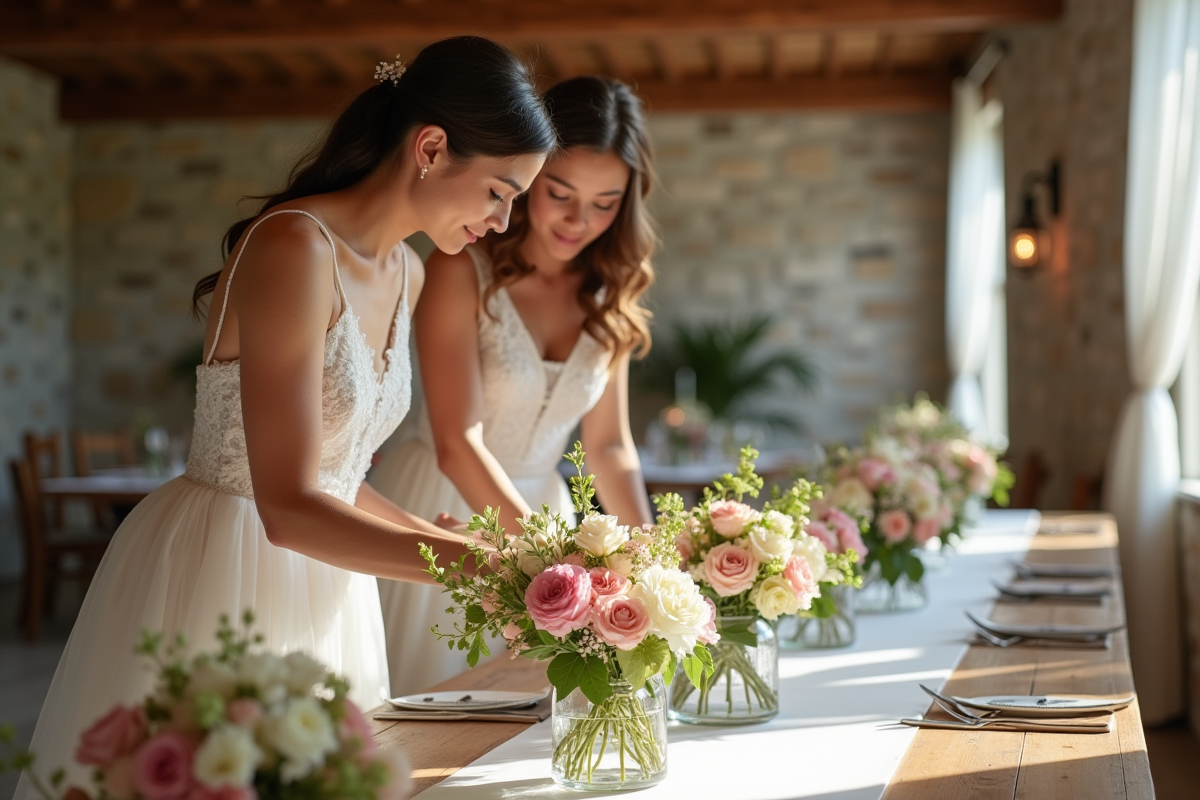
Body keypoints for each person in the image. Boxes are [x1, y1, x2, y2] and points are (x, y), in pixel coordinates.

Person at [15, 37, 555, 798]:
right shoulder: (295, 246)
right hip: (224, 566)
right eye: (500, 191)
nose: (503, 221)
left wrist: (446, 540)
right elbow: (289, 506)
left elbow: (335, 476)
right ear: (432, 148)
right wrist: (471, 569)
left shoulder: (408, 269)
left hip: (332, 586)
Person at [370, 76, 658, 695]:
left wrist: (651, 566)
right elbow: (457, 439)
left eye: (606, 203)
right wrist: (547, 561)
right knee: (431, 711)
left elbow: (608, 447)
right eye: (560, 193)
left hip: (546, 516)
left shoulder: (611, 295)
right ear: (527, 179)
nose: (580, 220)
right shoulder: (459, 266)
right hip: (446, 505)